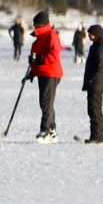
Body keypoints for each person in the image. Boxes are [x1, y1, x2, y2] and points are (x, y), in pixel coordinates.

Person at [28, 9, 63, 143]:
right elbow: (37, 56)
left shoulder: (51, 36)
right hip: (43, 73)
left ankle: (45, 131)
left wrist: (40, 60)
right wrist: (33, 71)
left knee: (46, 102)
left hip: (51, 73)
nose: (34, 27)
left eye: (36, 25)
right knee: (47, 103)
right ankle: (52, 130)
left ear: (42, 25)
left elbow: (54, 55)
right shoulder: (40, 37)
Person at [81, 24, 103, 143]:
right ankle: (95, 134)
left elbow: (100, 65)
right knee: (92, 108)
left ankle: (97, 136)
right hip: (94, 83)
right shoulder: (96, 46)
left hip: (96, 83)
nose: (89, 36)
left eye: (91, 34)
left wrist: (92, 79)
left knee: (95, 108)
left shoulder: (100, 47)